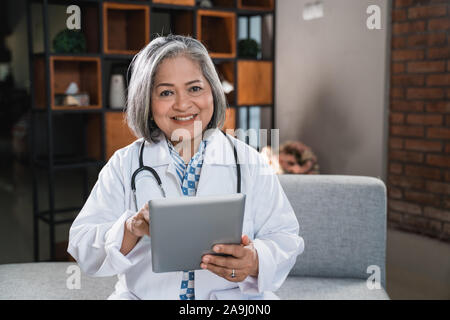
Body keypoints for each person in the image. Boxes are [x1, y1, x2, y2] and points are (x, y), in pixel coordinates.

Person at [67, 34, 303, 300]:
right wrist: (130, 229)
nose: (182, 104)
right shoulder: (124, 165)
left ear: (212, 91)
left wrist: (255, 259)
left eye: (195, 88)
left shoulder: (248, 161)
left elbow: (285, 238)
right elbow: (82, 244)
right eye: (166, 92)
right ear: (147, 101)